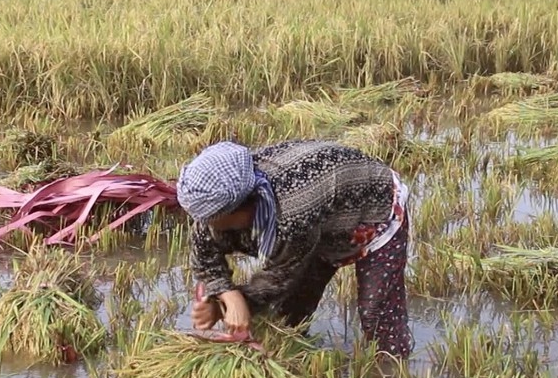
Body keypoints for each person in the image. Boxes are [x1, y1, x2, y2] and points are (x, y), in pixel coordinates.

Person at [176, 139, 414, 359]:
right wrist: (226, 293)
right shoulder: (220, 198)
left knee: (376, 311)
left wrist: (226, 307)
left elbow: (279, 278)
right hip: (321, 218)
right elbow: (204, 254)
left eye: (213, 220)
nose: (205, 225)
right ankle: (295, 359)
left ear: (242, 208)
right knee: (287, 315)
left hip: (375, 207)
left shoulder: (292, 214)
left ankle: (392, 375)